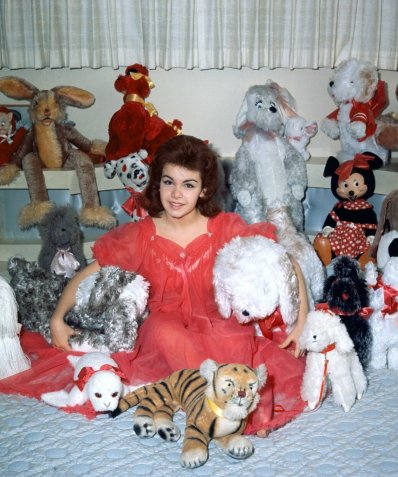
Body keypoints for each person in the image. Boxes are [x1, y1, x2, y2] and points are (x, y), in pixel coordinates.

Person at [49, 135, 308, 436]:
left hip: (219, 323)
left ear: (204, 190)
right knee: (166, 333)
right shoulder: (141, 235)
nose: (175, 194)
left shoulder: (225, 228)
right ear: (157, 183)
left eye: (188, 185)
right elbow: (87, 272)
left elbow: (283, 261)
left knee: (235, 338)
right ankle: (215, 406)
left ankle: (237, 407)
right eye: (168, 182)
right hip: (166, 327)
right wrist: (57, 318)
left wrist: (300, 322)